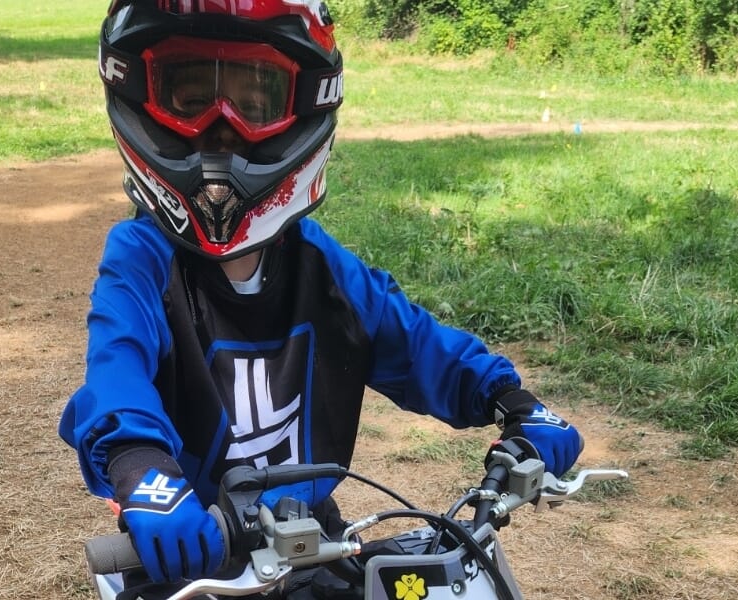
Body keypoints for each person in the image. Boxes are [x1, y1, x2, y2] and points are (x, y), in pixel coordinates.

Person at [59, 1, 582, 597]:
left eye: (254, 101)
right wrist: (142, 473)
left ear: (305, 105)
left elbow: (412, 339)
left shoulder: (321, 264)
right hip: (181, 548)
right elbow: (114, 368)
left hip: (308, 540)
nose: (221, 127)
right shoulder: (141, 256)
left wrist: (510, 398)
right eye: (190, 97)